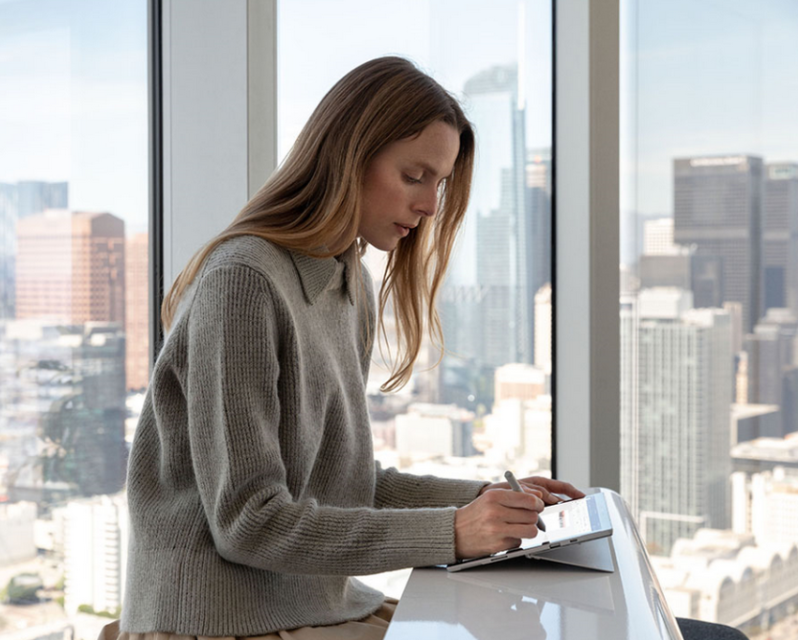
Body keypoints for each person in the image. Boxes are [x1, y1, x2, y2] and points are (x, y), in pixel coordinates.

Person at [104, 57, 747, 640]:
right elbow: (249, 521)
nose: (431, 204)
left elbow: (350, 485)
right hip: (220, 625)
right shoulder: (242, 283)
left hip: (313, 607)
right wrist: (453, 533)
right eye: (415, 176)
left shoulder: (344, 279)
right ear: (346, 155)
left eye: (439, 183)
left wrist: (495, 503)